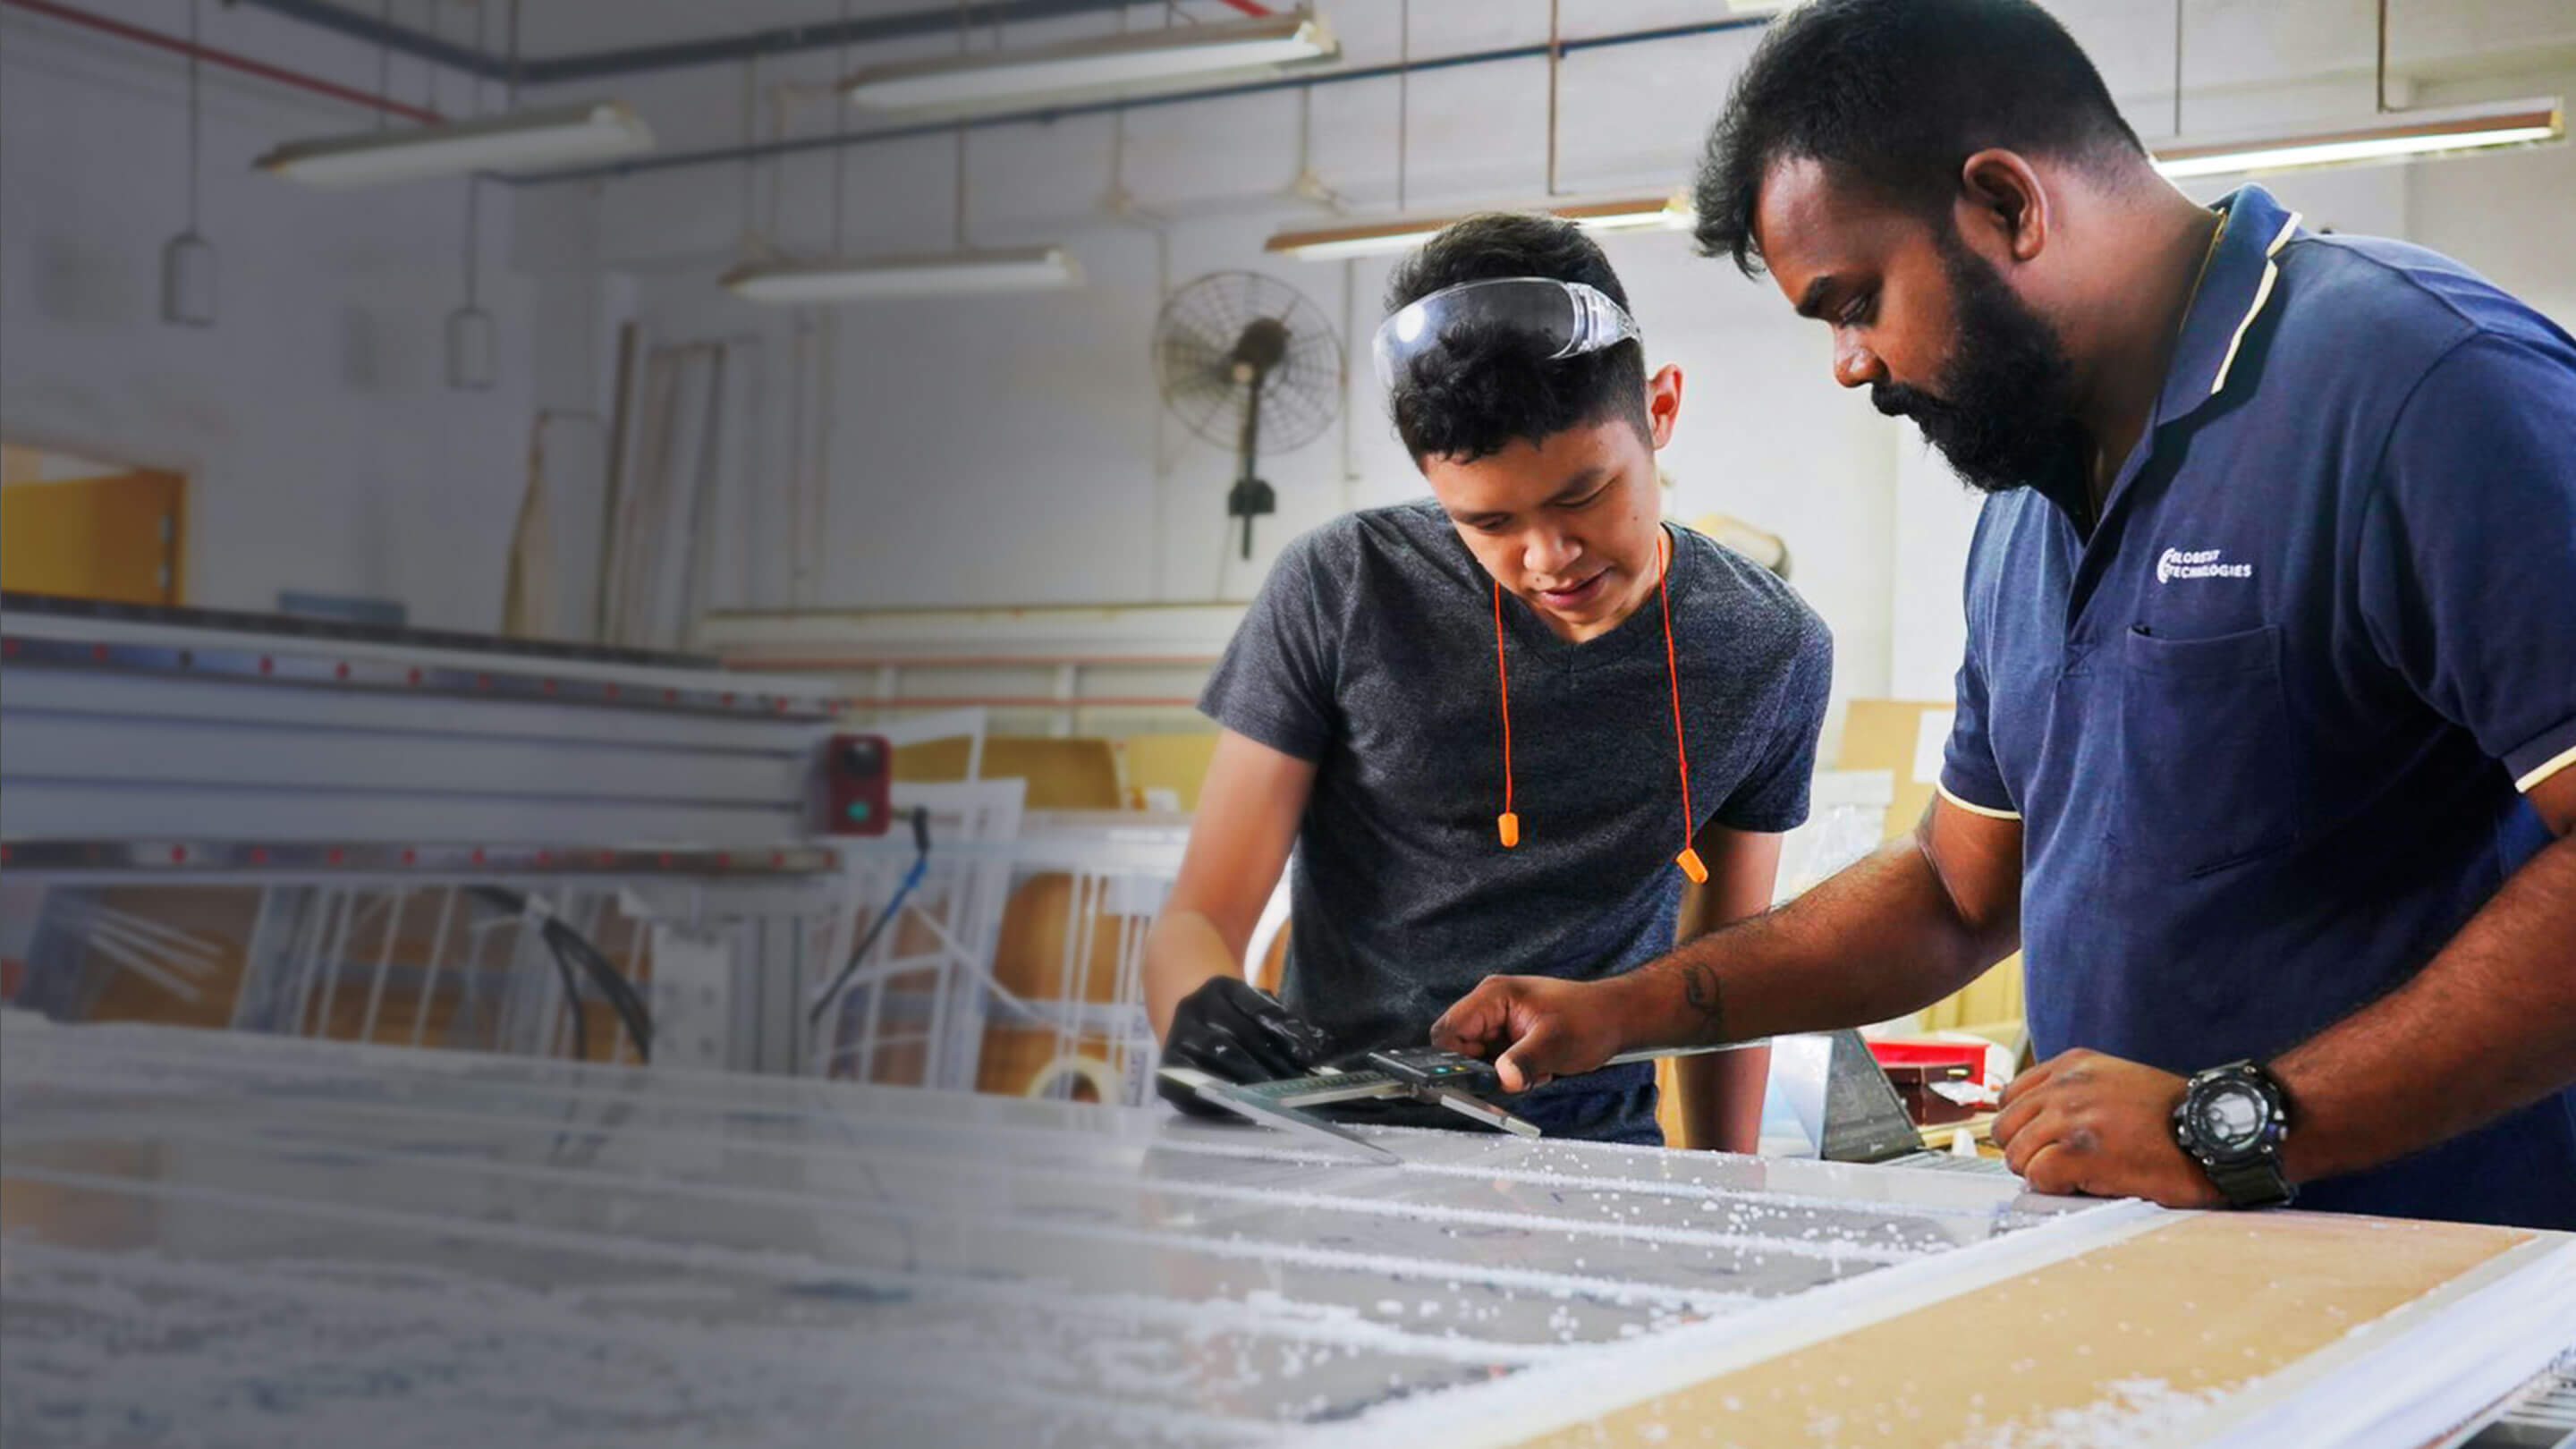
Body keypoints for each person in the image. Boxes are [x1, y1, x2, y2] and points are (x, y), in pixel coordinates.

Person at [1434, 0, 2576, 1227]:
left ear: (2009, 205)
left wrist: (2241, 1121)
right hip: (2169, 1286)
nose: (1850, 363)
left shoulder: (2422, 387)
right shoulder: (2030, 507)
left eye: (1856, 300)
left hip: (2444, 1301)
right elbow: (1956, 893)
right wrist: (1618, 1009)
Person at [1145, 213, 1833, 1148]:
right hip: (1337, 1144)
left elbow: (1723, 975)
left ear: (1661, 410)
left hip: (1594, 1153)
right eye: (1488, 521)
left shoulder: (1768, 647)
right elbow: (1195, 918)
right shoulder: (1344, 588)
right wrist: (1196, 1010)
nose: (1548, 556)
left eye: (1584, 495)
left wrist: (1730, 1194)